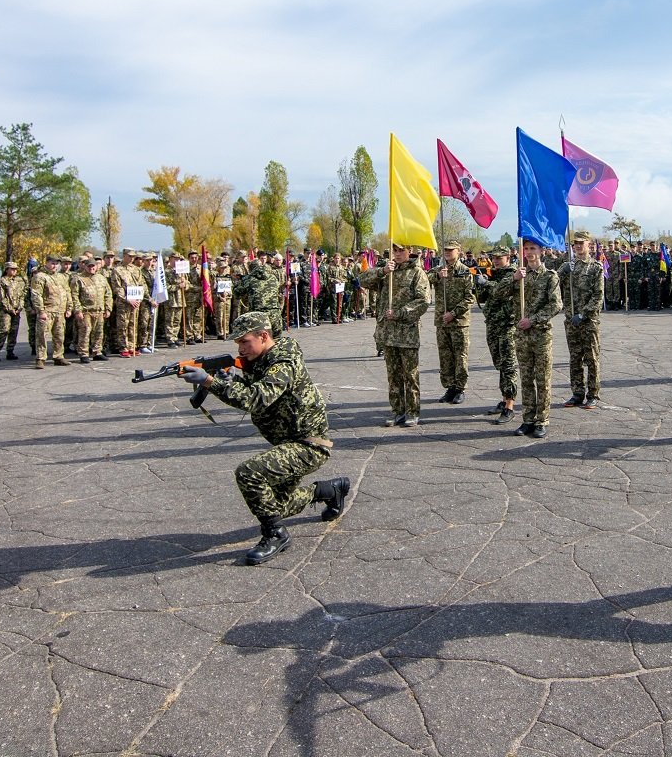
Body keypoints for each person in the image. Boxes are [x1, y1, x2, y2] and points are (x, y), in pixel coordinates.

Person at [178, 312, 351, 565]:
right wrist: (230, 379)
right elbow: (250, 388)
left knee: (249, 473)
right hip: (287, 441)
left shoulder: (283, 364)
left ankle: (275, 534)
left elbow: (255, 398)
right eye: (237, 343)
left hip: (309, 444)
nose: (240, 348)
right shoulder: (259, 358)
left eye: (245, 342)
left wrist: (210, 382)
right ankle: (329, 490)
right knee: (274, 505)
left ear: (263, 336)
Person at [356, 244, 432, 427]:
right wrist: (382, 270)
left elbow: (423, 301)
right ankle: (397, 411)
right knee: (394, 376)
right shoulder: (387, 271)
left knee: (410, 375)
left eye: (401, 251)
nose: (397, 254)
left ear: (409, 252)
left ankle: (412, 412)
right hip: (388, 333)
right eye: (395, 251)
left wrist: (400, 312)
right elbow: (362, 280)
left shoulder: (417, 272)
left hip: (407, 333)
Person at [494, 241, 562, 438]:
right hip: (522, 337)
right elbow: (497, 295)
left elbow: (556, 305)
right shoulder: (519, 275)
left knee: (542, 379)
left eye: (533, 249)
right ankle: (528, 419)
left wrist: (532, 320)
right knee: (526, 379)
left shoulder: (550, 276)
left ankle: (542, 420)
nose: (530, 252)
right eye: (527, 249)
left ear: (541, 251)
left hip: (540, 335)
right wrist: (513, 279)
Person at [558, 230, 605, 409]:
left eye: (581, 243)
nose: (577, 246)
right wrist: (563, 270)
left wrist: (584, 314)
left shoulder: (595, 267)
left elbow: (598, 296)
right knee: (575, 358)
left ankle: (593, 394)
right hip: (571, 320)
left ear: (589, 245)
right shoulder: (569, 267)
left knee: (592, 358)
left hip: (588, 321)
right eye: (575, 243)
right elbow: (554, 283)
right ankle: (577, 393)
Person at [427, 240, 475, 404]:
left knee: (460, 356)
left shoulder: (465, 271)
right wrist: (438, 276)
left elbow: (470, 298)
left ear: (458, 251)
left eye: (451, 250)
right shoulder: (439, 270)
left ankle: (460, 388)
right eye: (445, 250)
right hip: (442, 321)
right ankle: (450, 387)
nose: (447, 252)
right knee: (445, 356)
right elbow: (425, 281)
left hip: (459, 322)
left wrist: (454, 313)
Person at [475, 247, 519, 423]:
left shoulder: (513, 273)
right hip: (492, 323)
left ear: (508, 258)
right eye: (494, 258)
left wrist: (487, 283)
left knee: (508, 365)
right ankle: (503, 399)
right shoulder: (493, 274)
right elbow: (484, 298)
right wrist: (479, 284)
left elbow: (502, 290)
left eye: (500, 258)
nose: (496, 261)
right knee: (499, 363)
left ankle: (510, 405)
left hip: (507, 325)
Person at [70, 257, 113, 363]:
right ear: (85, 266)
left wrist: (108, 308)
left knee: (98, 332)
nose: (91, 268)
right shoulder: (78, 278)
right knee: (85, 332)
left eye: (93, 266)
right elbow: (74, 296)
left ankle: (97, 352)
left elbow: (108, 294)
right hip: (86, 311)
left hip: (99, 310)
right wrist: (78, 310)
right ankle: (83, 353)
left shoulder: (101, 278)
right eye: (89, 266)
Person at [0, 261, 27, 361]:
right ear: (6, 269)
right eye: (12, 269)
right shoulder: (1, 281)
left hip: (17, 310)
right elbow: (1, 298)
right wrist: (10, 309)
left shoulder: (18, 281)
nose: (14, 271)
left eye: (15, 269)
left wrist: (19, 307)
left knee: (14, 331)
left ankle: (10, 351)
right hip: (5, 310)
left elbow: (22, 295)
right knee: (5, 330)